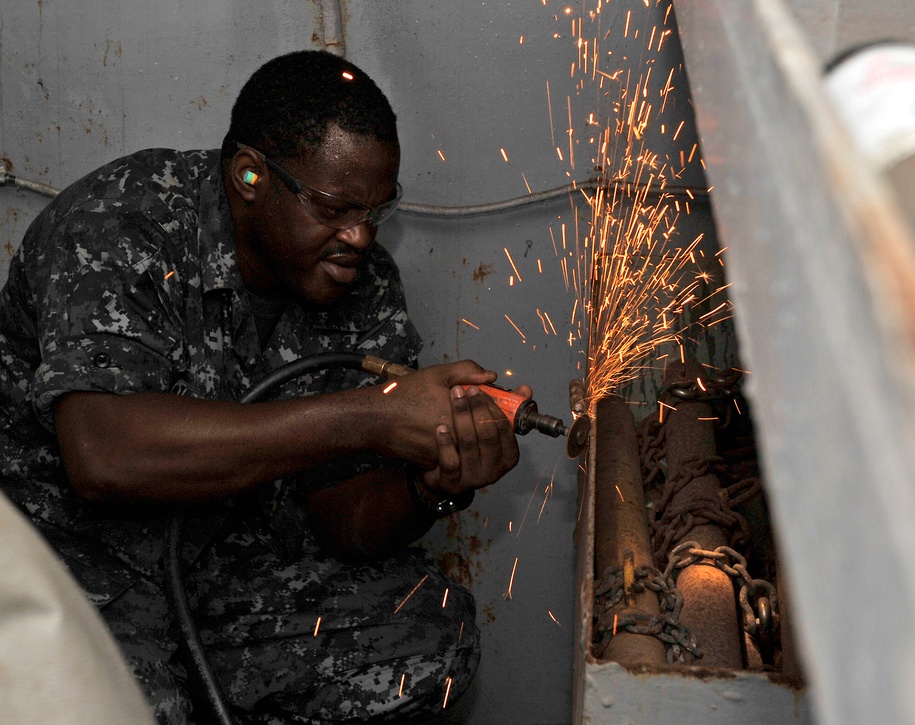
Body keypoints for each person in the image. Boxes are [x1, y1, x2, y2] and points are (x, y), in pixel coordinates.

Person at [0, 49, 527, 723]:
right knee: (131, 707)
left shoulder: (361, 284)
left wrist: (432, 482)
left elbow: (341, 519)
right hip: (65, 572)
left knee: (425, 632)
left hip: (215, 568)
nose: (361, 236)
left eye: (377, 209)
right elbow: (103, 455)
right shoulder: (125, 221)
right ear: (250, 174)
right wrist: (372, 416)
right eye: (335, 207)